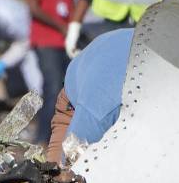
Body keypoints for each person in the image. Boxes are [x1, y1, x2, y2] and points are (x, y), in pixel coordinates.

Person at [44, 27, 134, 164]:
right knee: (58, 172)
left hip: (113, 49)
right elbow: (71, 156)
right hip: (77, 97)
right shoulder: (99, 110)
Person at [26, 0, 76, 142]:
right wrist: (59, 26)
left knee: (68, 89)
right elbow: (34, 7)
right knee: (53, 86)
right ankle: (42, 139)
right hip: (45, 40)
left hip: (66, 40)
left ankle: (62, 138)